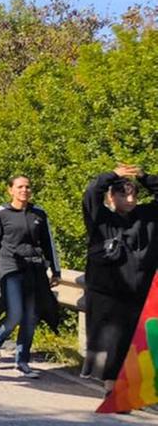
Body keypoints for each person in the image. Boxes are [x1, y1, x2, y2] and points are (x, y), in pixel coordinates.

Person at [83, 164, 158, 394]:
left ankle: (126, 383)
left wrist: (144, 177)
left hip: (139, 290)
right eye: (123, 194)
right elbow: (91, 194)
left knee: (133, 339)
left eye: (133, 194)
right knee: (112, 338)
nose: (130, 199)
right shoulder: (101, 218)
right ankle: (111, 385)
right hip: (107, 290)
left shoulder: (147, 217)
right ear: (112, 197)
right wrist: (112, 175)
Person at [0, 175, 62, 377]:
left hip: (34, 269)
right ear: (10, 190)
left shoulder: (39, 213)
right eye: (19, 187)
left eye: (27, 187)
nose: (24, 191)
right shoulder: (0, 212)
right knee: (16, 313)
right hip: (11, 268)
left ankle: (22, 361)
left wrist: (56, 270)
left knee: (30, 317)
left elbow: (48, 243)